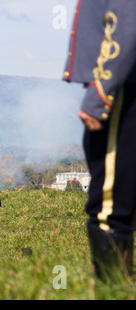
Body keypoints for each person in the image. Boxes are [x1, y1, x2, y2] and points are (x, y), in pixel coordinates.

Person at [63, 0, 136, 281]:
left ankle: (112, 290)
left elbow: (127, 23)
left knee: (109, 206)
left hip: (120, 94)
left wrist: (101, 93)